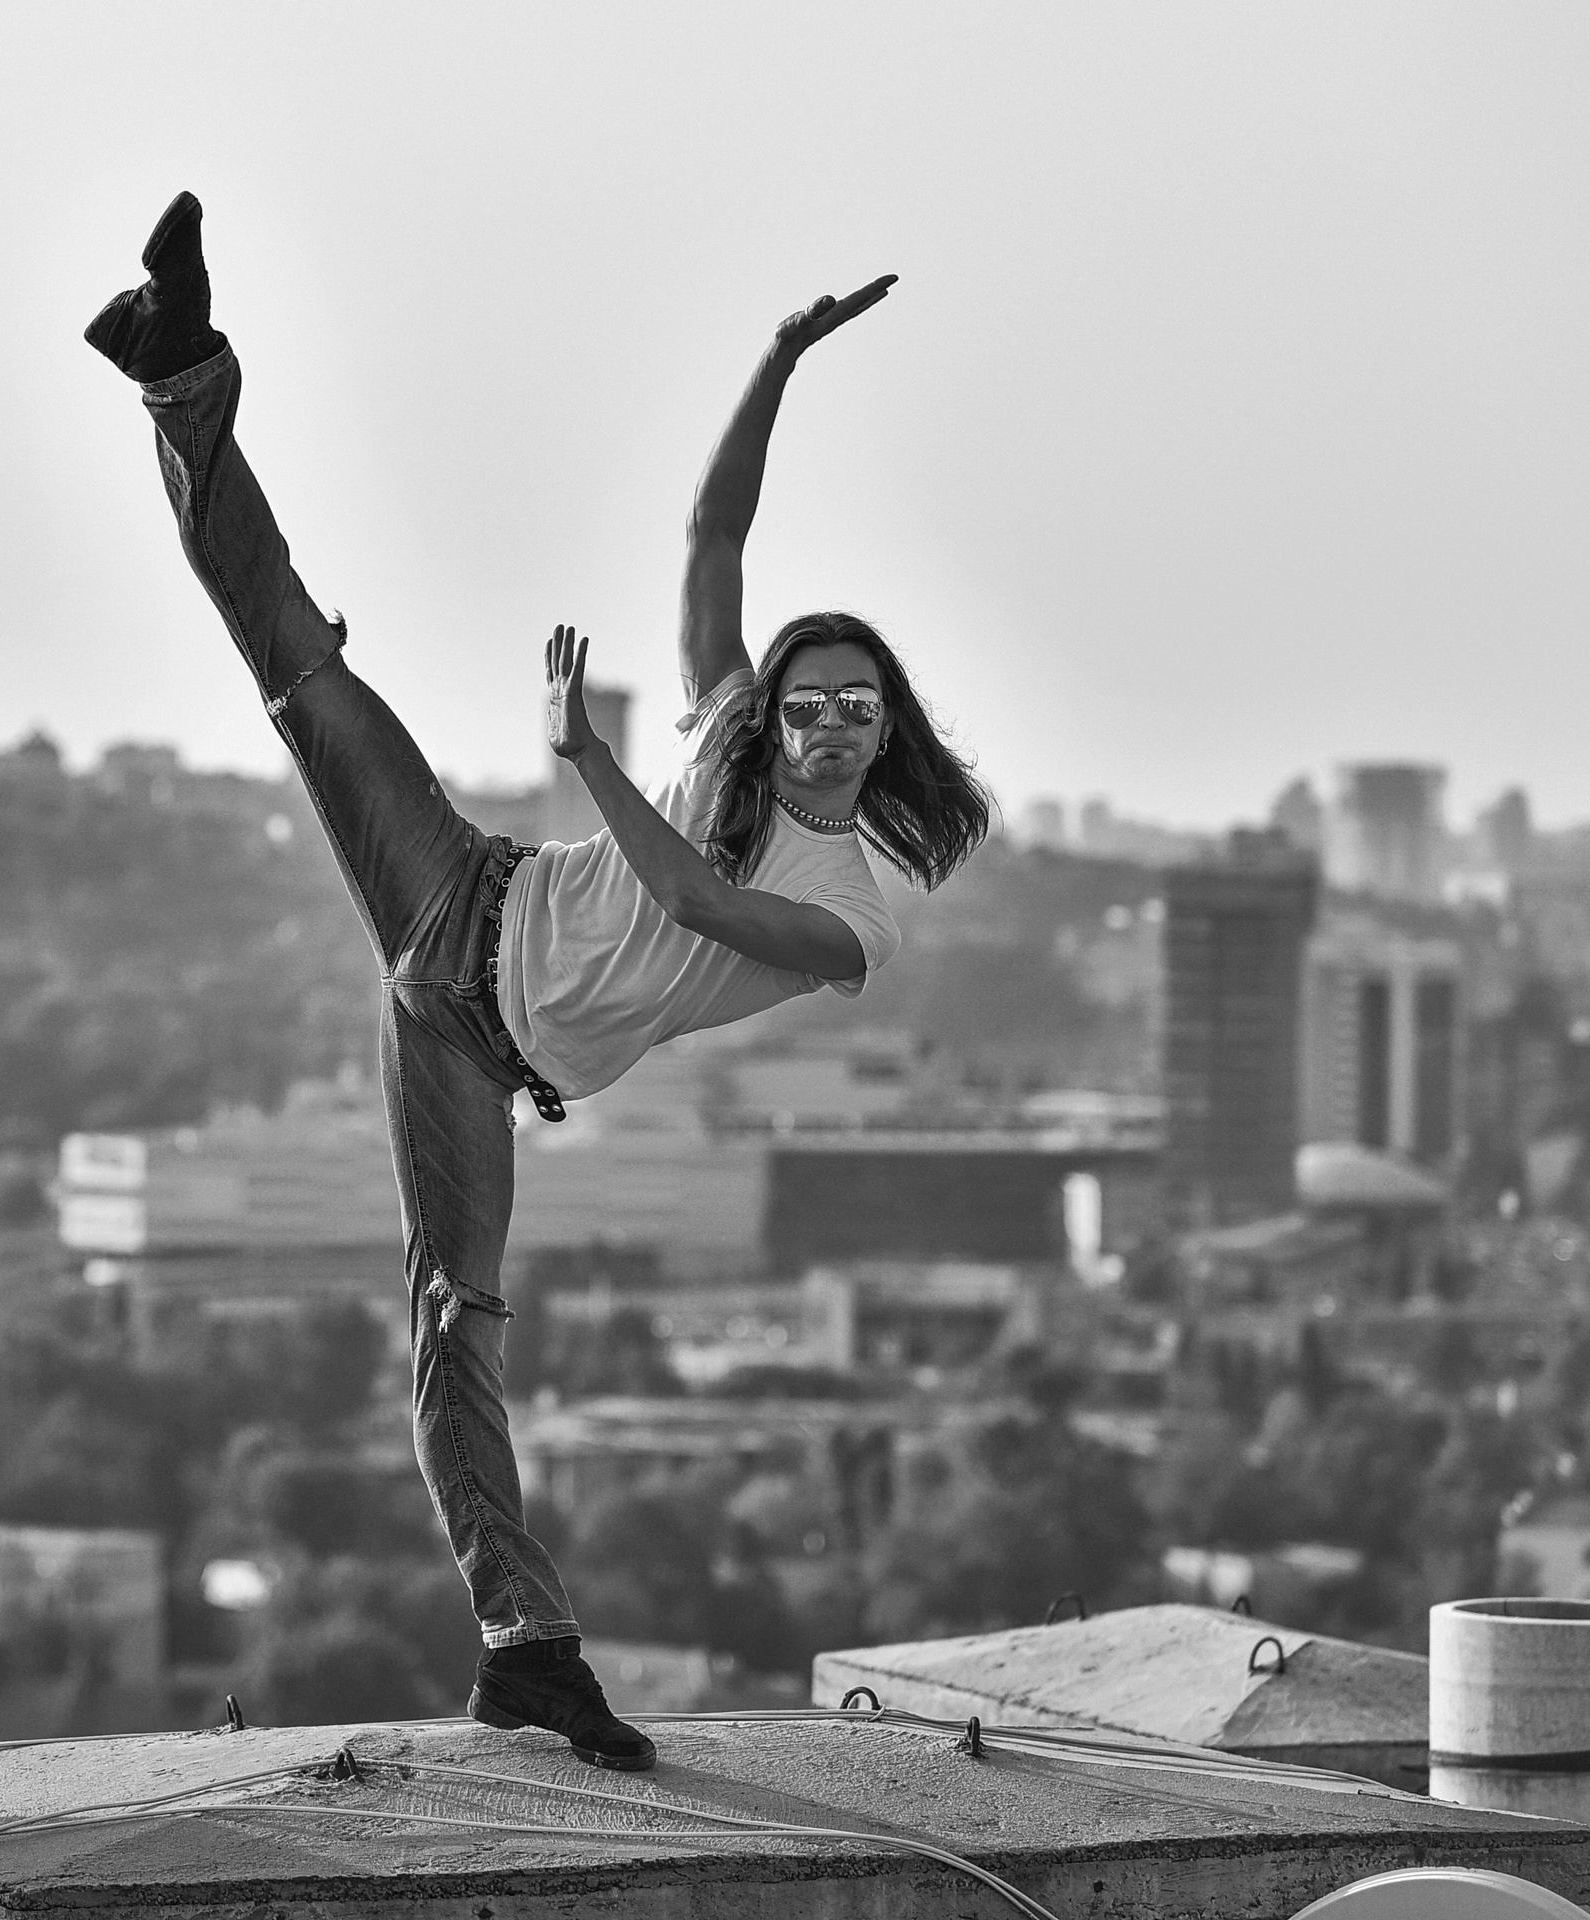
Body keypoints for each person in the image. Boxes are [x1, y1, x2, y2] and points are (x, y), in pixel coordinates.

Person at [85, 193, 990, 1770]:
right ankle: (182, 372)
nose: (826, 724)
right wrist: (780, 361)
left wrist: (586, 757)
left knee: (457, 1323)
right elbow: (713, 542)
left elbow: (695, 898)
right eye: (806, 701)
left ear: (887, 729)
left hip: (478, 1052)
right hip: (460, 890)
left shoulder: (855, 915)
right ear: (776, 712)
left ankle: (527, 1651)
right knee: (301, 666)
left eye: (856, 708)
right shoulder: (727, 735)